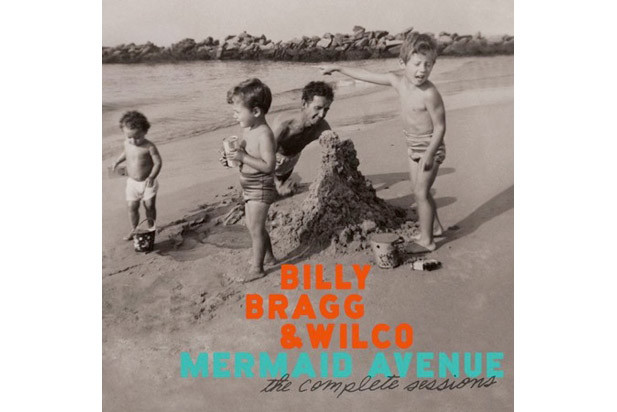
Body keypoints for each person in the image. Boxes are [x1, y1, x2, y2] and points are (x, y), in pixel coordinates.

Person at [320, 32, 446, 251]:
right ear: (402, 63)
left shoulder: (429, 93)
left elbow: (440, 127)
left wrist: (428, 153)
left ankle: (427, 241)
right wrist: (339, 68)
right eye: (417, 64)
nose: (422, 70)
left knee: (421, 193)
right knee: (419, 189)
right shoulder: (397, 82)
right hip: (413, 146)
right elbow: (366, 75)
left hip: (431, 148)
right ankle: (434, 227)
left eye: (428, 65)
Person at [223, 78, 277, 279]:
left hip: (260, 186)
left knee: (255, 228)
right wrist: (232, 158)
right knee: (253, 225)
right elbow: (246, 154)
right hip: (249, 184)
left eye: (237, 112)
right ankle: (269, 257)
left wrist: (243, 157)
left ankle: (257, 269)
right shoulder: (248, 129)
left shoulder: (264, 134)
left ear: (255, 112)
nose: (234, 116)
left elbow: (269, 166)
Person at [272, 81, 334, 195]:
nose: (322, 114)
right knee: (267, 195)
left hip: (291, 161)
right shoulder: (284, 125)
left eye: (326, 109)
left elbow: (334, 152)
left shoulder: (322, 127)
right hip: (272, 160)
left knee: (286, 191)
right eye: (318, 108)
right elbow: (264, 157)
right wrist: (277, 185)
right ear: (304, 103)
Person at [112, 111, 163, 241]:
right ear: (124, 133)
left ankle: (151, 228)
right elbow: (126, 153)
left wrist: (152, 176)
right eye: (129, 137)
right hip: (132, 183)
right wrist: (117, 161)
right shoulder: (127, 143)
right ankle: (134, 229)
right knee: (132, 206)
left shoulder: (149, 147)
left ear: (145, 132)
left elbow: (158, 163)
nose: (133, 141)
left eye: (137, 137)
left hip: (148, 182)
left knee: (149, 205)